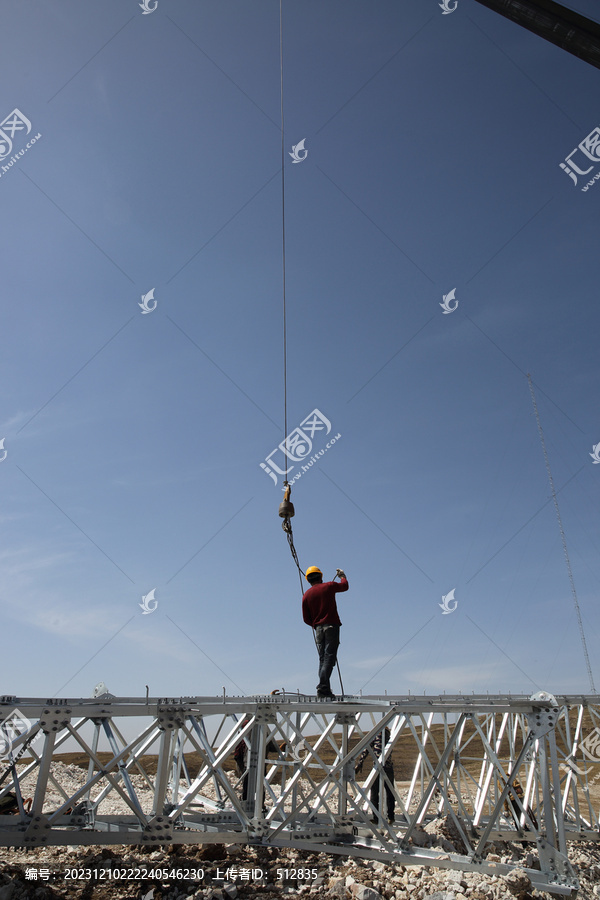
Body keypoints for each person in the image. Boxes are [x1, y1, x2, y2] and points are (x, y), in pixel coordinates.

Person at [302, 566, 348, 700]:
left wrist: (316, 626)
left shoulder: (306, 595)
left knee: (322, 659)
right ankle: (322, 688)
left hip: (318, 629)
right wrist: (342, 576)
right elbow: (344, 586)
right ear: (320, 577)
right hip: (331, 626)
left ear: (308, 580)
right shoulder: (328, 586)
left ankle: (325, 689)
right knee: (329, 658)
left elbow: (306, 618)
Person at [356, 726, 395, 824]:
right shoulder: (389, 737)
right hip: (388, 767)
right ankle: (391, 816)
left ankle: (376, 818)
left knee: (374, 793)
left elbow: (367, 749)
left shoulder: (376, 735)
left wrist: (360, 763)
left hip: (377, 767)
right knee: (390, 793)